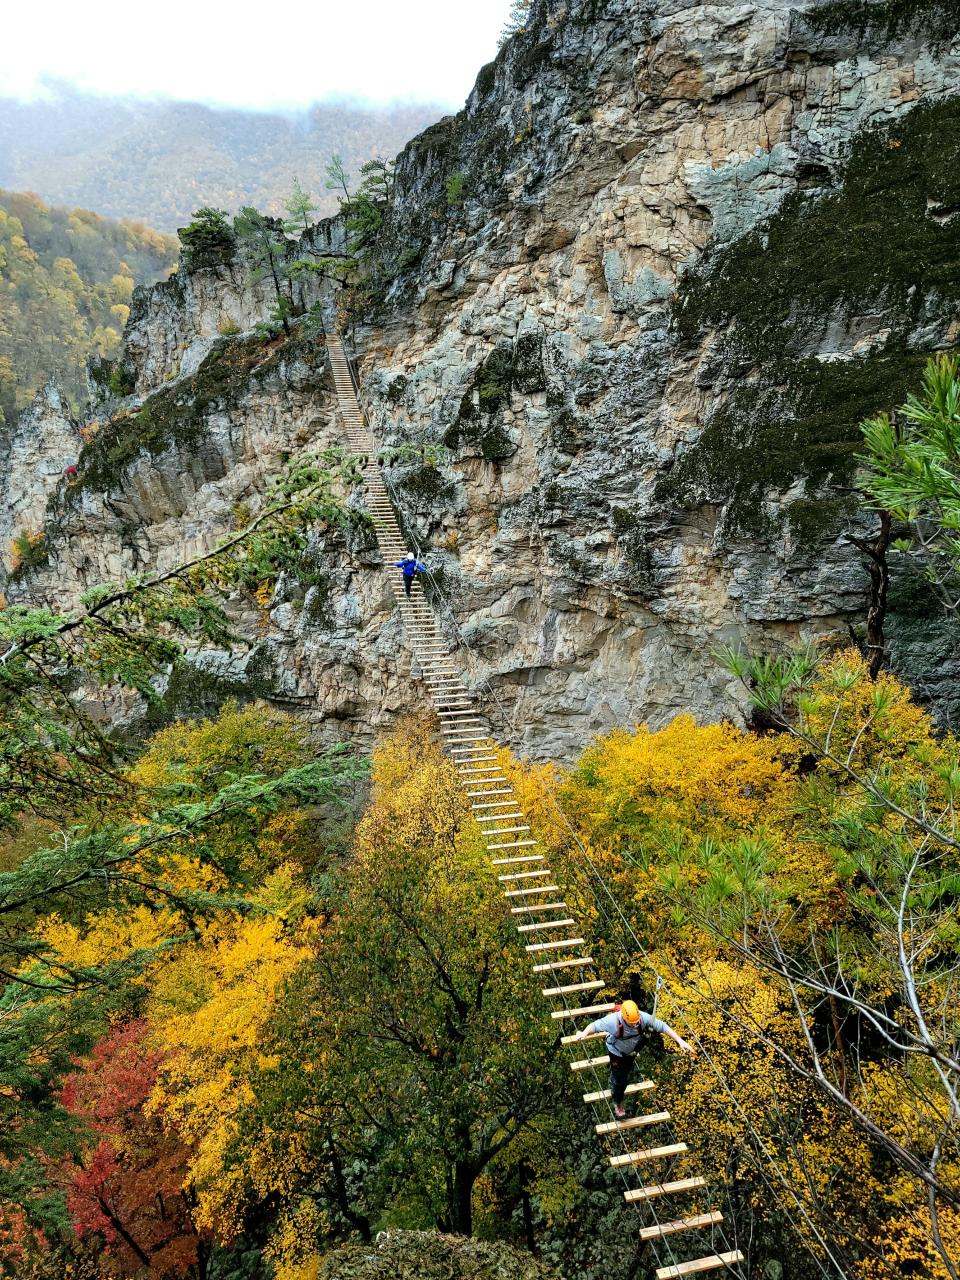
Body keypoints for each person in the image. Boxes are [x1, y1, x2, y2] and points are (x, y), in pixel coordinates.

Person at [575, 1000, 695, 1118]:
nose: (635, 1024)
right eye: (631, 1023)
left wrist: (679, 1040)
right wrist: (583, 1033)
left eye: (636, 1022)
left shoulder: (643, 1018)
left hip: (633, 1050)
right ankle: (618, 1102)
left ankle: (618, 1076)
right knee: (620, 1081)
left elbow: (662, 1026)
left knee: (648, 1033)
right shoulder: (612, 1021)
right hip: (617, 1052)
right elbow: (594, 1026)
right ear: (623, 1018)